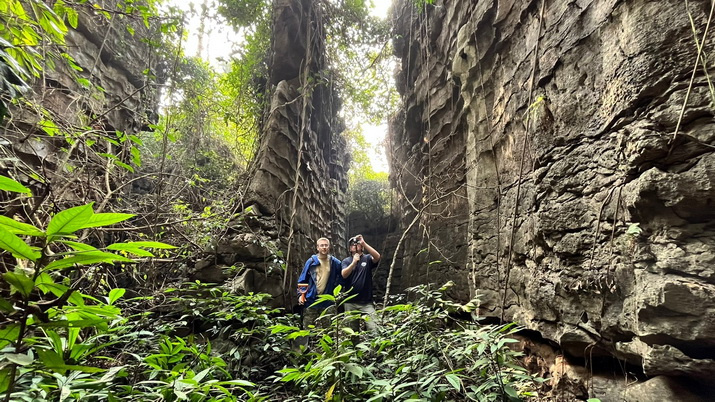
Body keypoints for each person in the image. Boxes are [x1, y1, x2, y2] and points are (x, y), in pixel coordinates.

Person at [297, 237, 343, 332]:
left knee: (329, 330)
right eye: (322, 245)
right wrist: (301, 295)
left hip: (327, 301)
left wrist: (338, 290)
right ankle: (307, 346)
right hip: (311, 299)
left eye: (326, 245)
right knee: (307, 328)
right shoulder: (311, 262)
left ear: (329, 247)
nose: (324, 247)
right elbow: (303, 280)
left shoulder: (334, 262)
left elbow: (343, 275)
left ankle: (328, 346)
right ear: (317, 248)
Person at [341, 234, 381, 331]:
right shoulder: (346, 261)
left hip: (366, 302)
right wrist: (354, 262)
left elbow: (377, 257)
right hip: (350, 303)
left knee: (374, 328)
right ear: (350, 248)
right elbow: (344, 274)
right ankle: (355, 346)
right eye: (354, 244)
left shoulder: (367, 258)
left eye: (358, 244)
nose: (357, 246)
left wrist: (364, 243)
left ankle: (373, 346)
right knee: (352, 332)